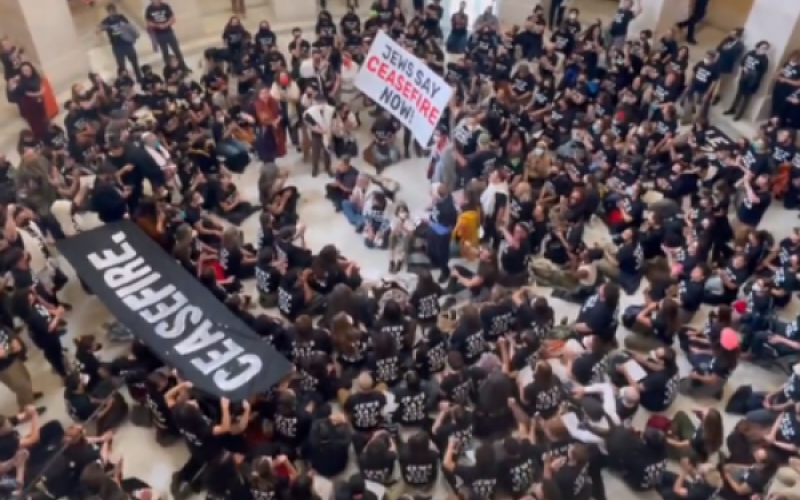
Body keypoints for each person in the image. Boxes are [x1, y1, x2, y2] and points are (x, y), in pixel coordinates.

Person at [99, 3, 142, 81]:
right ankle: (126, 80)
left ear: (115, 10)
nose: (112, 13)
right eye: (110, 11)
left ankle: (139, 78)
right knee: (121, 66)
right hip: (117, 46)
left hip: (127, 43)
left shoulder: (121, 17)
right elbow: (99, 29)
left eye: (113, 11)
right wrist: (103, 29)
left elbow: (129, 27)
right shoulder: (106, 21)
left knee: (134, 62)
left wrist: (133, 36)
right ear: (108, 12)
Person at [6, 63, 49, 140]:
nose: (27, 71)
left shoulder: (36, 76)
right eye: (24, 70)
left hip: (39, 102)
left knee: (43, 118)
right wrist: (39, 93)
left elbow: (39, 84)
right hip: (29, 106)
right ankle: (40, 137)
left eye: (28, 69)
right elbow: (25, 93)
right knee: (36, 123)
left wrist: (40, 92)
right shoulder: (21, 82)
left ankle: (46, 132)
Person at [145, 0, 187, 69]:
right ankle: (169, 69)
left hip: (169, 32)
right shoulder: (149, 9)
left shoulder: (165, 6)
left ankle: (183, 66)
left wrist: (165, 24)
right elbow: (148, 23)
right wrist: (158, 25)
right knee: (165, 52)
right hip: (159, 34)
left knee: (176, 50)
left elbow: (173, 18)